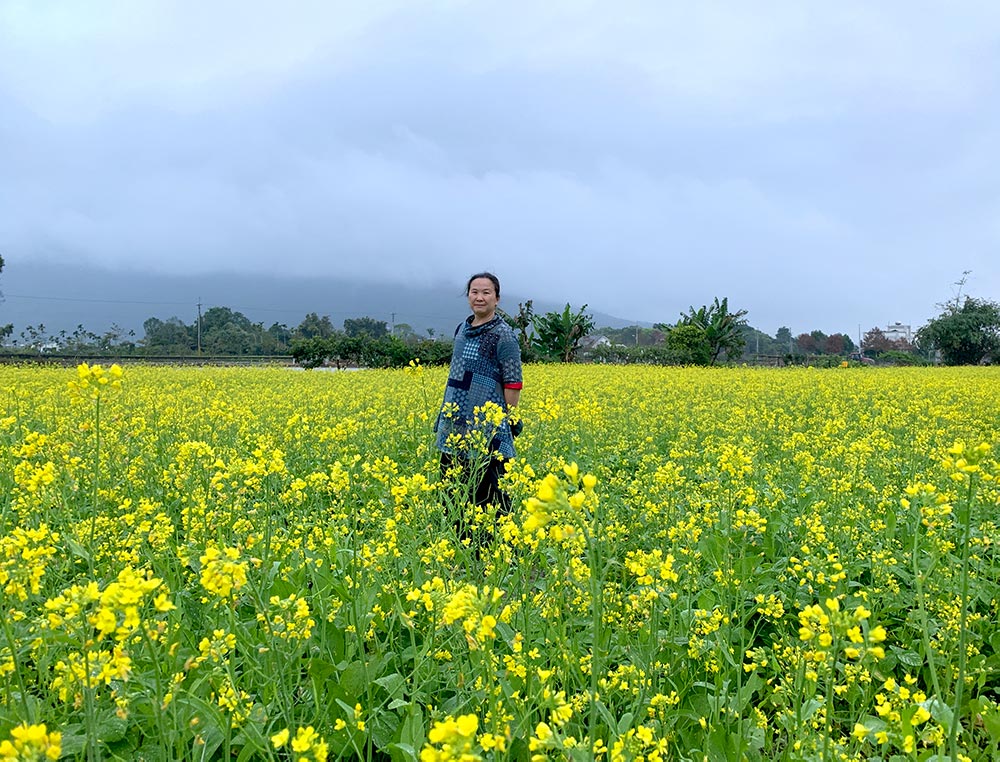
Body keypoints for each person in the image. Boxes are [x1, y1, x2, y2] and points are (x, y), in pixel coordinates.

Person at [435, 272, 523, 541]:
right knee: (453, 487)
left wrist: (508, 419)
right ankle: (457, 543)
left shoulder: (504, 335)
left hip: (487, 423)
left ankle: (492, 547)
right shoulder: (461, 330)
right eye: (474, 292)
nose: (479, 297)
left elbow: (513, 382)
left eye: (486, 292)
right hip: (455, 419)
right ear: (468, 296)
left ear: (497, 298)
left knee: (490, 489)